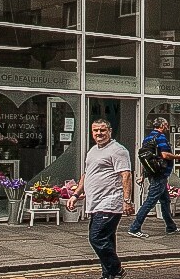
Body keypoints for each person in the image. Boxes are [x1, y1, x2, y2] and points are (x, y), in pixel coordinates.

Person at [72, 119, 133, 279]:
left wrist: (127, 201)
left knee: (96, 237)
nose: (99, 133)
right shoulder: (93, 151)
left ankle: (116, 269)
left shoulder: (118, 150)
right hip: (95, 203)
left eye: (102, 130)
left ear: (110, 131)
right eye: (95, 130)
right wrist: (75, 195)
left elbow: (126, 175)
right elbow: (87, 175)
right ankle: (109, 275)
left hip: (109, 203)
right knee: (106, 239)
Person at [129, 116, 178, 237]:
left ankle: (171, 227)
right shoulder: (161, 137)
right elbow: (165, 155)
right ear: (162, 125)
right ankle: (135, 228)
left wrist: (142, 174)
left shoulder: (148, 138)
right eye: (166, 125)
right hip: (160, 173)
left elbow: (145, 158)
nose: (167, 127)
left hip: (152, 172)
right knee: (150, 201)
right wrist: (179, 157)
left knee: (165, 200)